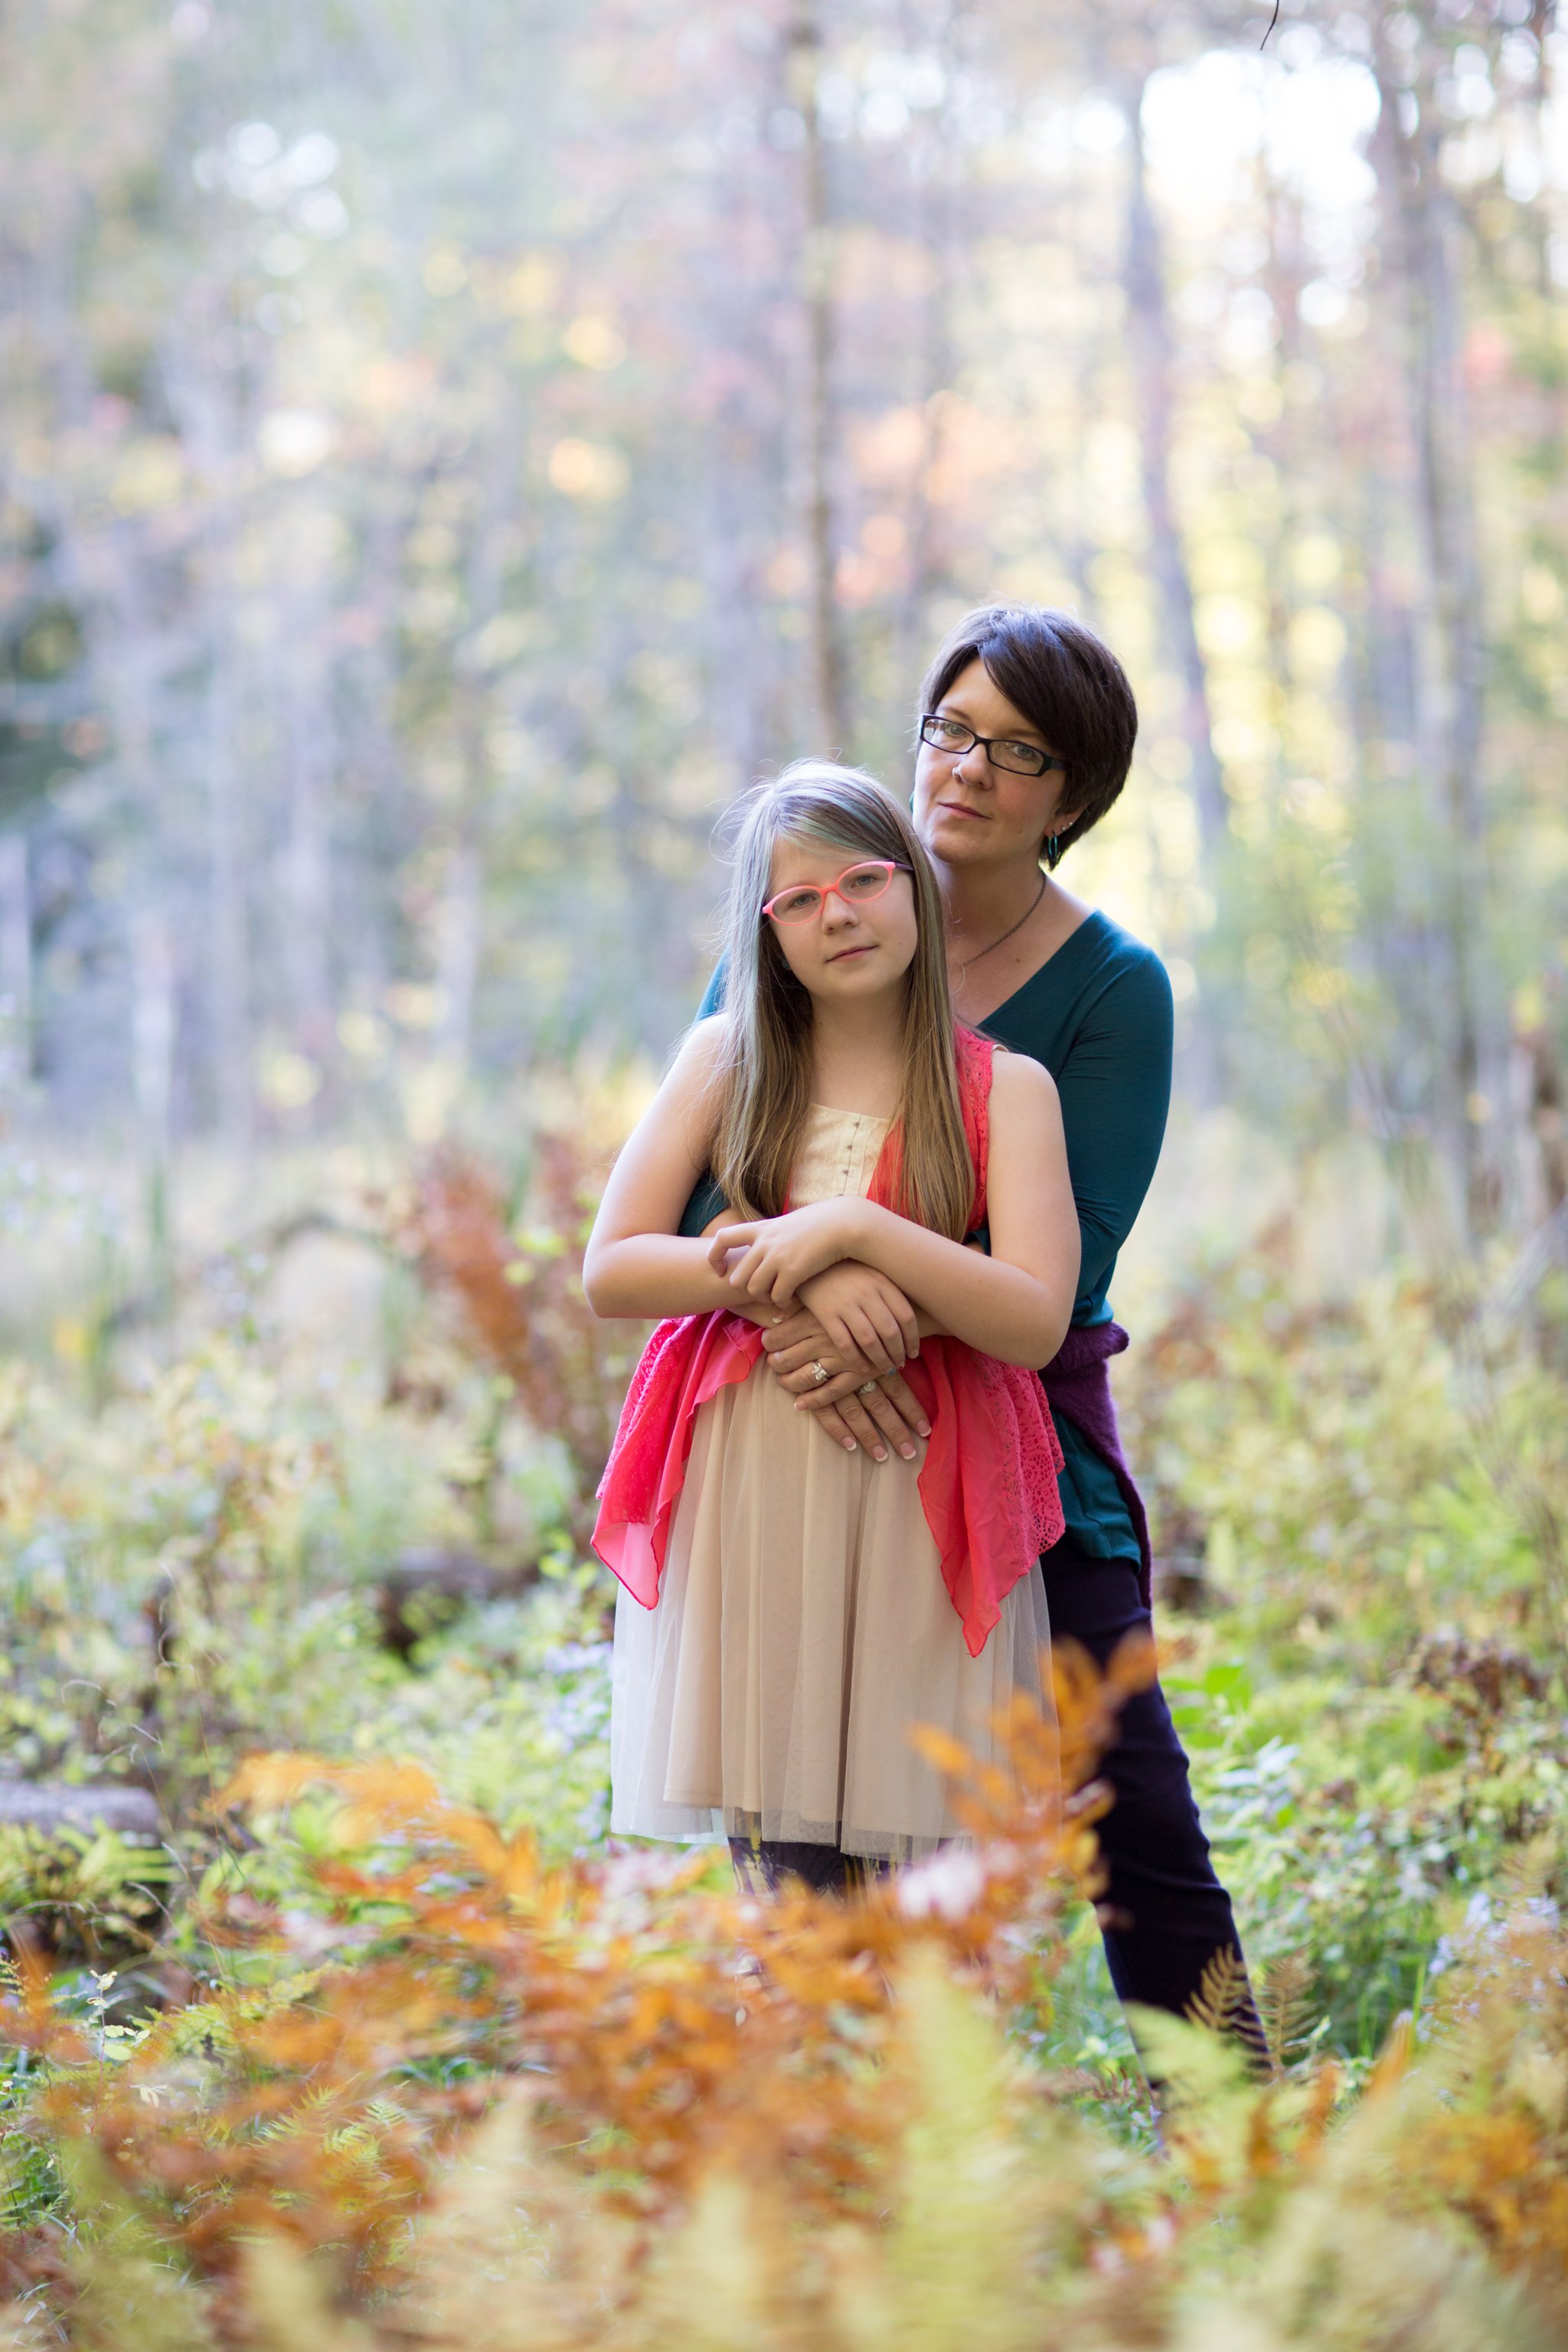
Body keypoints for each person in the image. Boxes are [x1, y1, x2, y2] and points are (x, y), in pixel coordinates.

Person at [688, 606, 1266, 2049]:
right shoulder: (819, 909)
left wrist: (853, 1263)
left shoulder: (1113, 989)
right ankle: (827, 2166)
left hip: (1021, 1441)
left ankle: (1247, 2154)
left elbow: (1059, 1279)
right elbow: (709, 1193)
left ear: (1073, 798)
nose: (969, 770)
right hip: (803, 1425)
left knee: (1127, 1801)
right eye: (953, 728)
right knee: (804, 1839)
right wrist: (815, 1291)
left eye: (1020, 753)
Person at [583, 763, 1078, 1890]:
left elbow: (1035, 1318)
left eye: (860, 879)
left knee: (929, 1901)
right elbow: (613, 1267)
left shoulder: (1009, 1090)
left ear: (915, 887)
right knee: (793, 1892)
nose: (835, 914)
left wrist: (855, 1229)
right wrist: (793, 1278)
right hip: (758, 1503)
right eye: (796, 901)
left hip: (917, 1493)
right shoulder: (728, 1059)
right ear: (765, 934)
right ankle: (800, 2067)